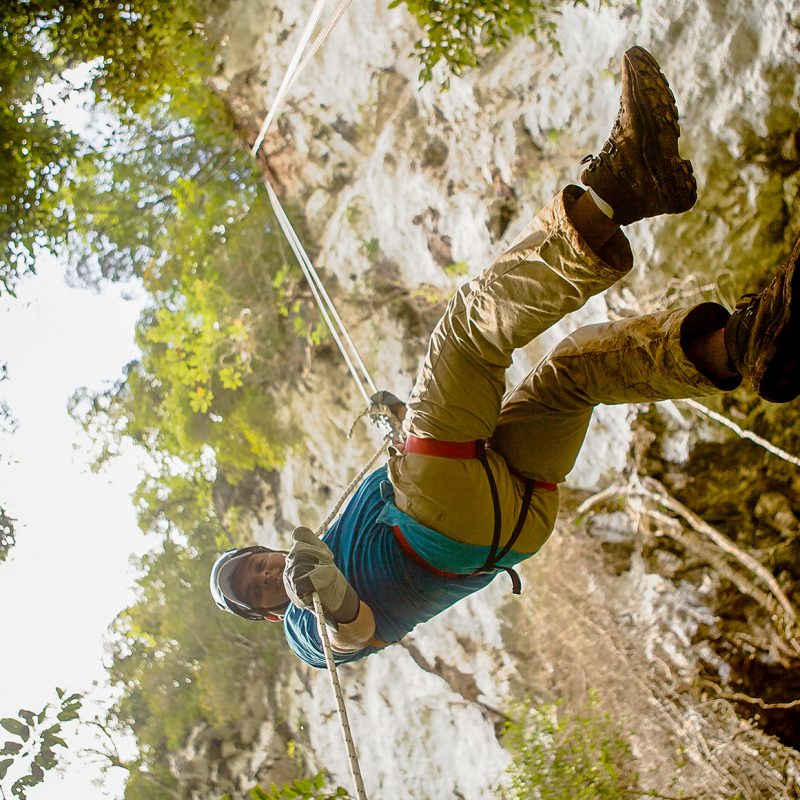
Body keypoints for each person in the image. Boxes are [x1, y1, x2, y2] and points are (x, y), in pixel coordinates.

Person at [210, 46, 799, 669]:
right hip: (437, 526)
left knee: (576, 372)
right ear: (269, 613)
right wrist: (327, 601)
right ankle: (619, 186)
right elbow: (353, 637)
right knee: (466, 331)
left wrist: (406, 425)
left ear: (265, 550)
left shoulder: (320, 546)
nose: (267, 574)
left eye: (256, 564)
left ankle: (744, 345)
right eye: (256, 589)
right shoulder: (304, 628)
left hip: (510, 526)